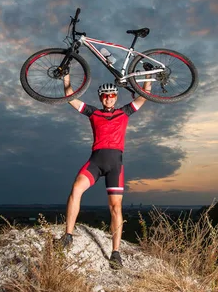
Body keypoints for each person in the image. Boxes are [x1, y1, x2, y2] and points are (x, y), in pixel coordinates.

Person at [58, 73, 151, 270]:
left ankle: (115, 253)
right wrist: (66, 79)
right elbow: (70, 98)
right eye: (105, 95)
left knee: (116, 208)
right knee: (76, 189)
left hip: (115, 165)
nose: (109, 98)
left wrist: (148, 77)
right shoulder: (94, 113)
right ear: (101, 97)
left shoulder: (125, 112)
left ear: (116, 96)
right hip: (95, 161)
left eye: (112, 95)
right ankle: (68, 235)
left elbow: (145, 95)